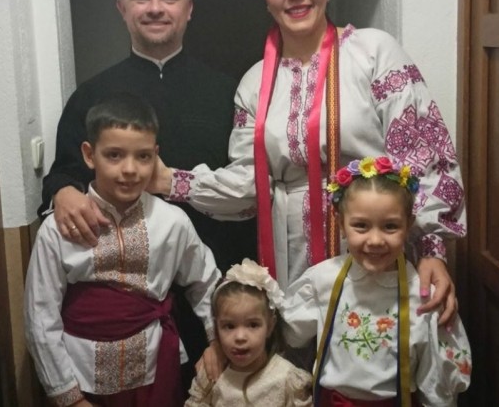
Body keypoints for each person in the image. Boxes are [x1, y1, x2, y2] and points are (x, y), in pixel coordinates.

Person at [151, 0, 463, 320]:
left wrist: (432, 248)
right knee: (299, 349)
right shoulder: (253, 83)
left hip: (373, 243)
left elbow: (423, 153)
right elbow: (249, 187)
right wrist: (171, 181)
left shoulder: (374, 53)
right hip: (290, 254)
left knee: (370, 348)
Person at [39, 0, 256, 387]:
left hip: (211, 281)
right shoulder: (91, 95)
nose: (155, 8)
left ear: (188, 8)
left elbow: (248, 182)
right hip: (120, 310)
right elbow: (64, 171)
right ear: (122, 8)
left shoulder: (227, 91)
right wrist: (62, 191)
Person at [24, 94, 221, 406]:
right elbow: (40, 316)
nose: (130, 169)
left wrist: (217, 341)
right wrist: (69, 397)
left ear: (156, 156)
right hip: (80, 374)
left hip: (156, 367)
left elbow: (206, 282)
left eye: (143, 157)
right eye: (114, 155)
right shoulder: (58, 229)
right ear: (89, 154)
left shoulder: (172, 222)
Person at [281, 156, 471, 406]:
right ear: (341, 224)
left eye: (390, 226)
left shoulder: (423, 294)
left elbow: (437, 383)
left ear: (409, 225)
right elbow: (291, 335)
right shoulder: (322, 279)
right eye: (361, 226)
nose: (375, 240)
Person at [185, 259, 312, 406]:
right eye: (229, 326)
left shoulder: (287, 379)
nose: (240, 337)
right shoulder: (212, 375)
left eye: (253, 325)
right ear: (216, 329)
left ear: (270, 326)